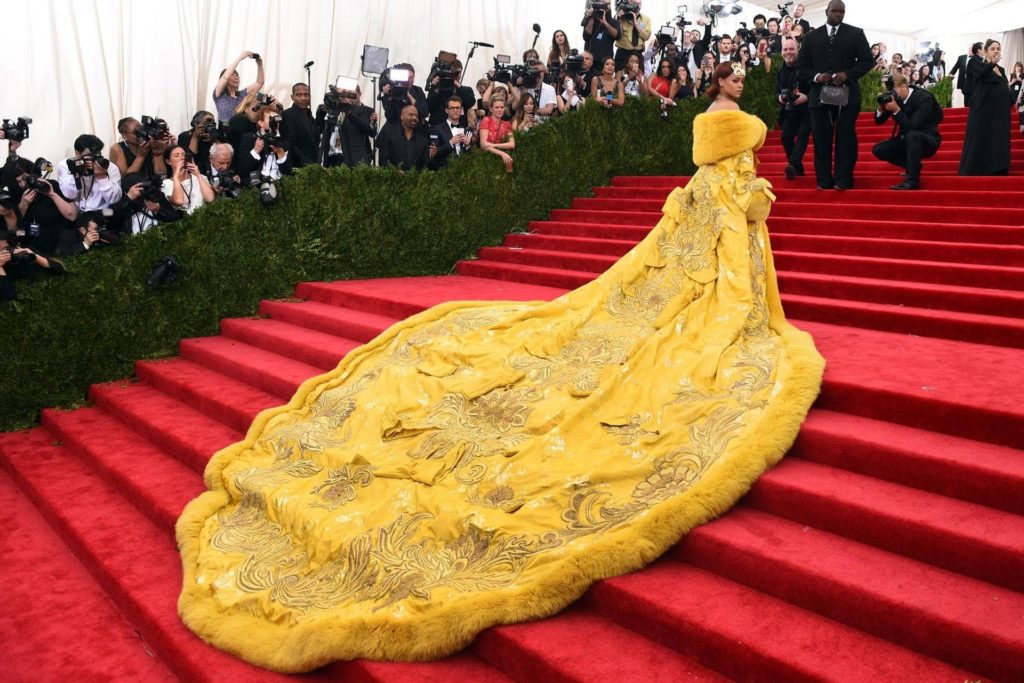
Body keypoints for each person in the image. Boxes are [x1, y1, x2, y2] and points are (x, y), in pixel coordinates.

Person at [175, 57, 824, 674]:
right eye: (735, 78)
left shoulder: (711, 155)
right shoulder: (726, 156)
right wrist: (745, 263)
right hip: (708, 259)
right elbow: (727, 231)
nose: (740, 82)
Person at [795, 0, 873, 190]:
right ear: (826, 12)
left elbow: (867, 61)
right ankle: (823, 180)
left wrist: (847, 74)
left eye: (841, 11)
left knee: (846, 137)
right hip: (819, 96)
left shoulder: (856, 33)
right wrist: (817, 76)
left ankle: (843, 179)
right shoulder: (811, 37)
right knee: (821, 138)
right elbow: (801, 67)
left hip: (848, 94)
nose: (838, 14)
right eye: (834, 11)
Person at [872, 74, 943, 190]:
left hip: (928, 140)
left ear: (904, 86)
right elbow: (879, 121)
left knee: (912, 135)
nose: (891, 94)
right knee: (879, 149)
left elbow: (912, 126)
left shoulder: (924, 98)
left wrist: (896, 110)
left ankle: (911, 181)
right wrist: (881, 108)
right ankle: (913, 166)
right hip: (906, 139)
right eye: (889, 91)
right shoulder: (897, 98)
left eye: (893, 90)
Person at [959, 39, 1012, 176]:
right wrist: (992, 63)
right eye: (992, 49)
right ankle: (976, 168)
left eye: (998, 49)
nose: (996, 51)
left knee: (997, 137)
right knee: (981, 137)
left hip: (999, 111)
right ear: (986, 51)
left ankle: (998, 168)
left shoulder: (1001, 70)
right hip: (983, 110)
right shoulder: (977, 63)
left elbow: (1004, 87)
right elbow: (980, 75)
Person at [57, 134, 123, 211]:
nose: (93, 159)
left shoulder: (110, 167)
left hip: (102, 212)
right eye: (89, 155)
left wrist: (102, 177)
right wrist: (76, 173)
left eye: (97, 155)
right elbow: (69, 195)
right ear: (77, 153)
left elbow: (114, 199)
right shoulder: (66, 165)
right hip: (79, 212)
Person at [776, 38, 811, 179]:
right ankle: (798, 168)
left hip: (808, 109)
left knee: (803, 134)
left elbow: (816, 88)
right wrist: (780, 97)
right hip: (790, 109)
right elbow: (777, 91)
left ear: (798, 50)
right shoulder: (780, 69)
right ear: (781, 52)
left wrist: (806, 97)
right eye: (785, 49)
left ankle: (792, 165)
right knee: (785, 137)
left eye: (791, 49)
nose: (788, 52)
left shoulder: (806, 66)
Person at [318, 87, 377, 168]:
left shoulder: (366, 110)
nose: (348, 97)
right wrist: (321, 113)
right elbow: (323, 129)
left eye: (351, 93)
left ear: (359, 94)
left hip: (354, 158)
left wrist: (349, 112)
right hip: (333, 155)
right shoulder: (337, 108)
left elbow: (370, 130)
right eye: (345, 93)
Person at [0, 229, 65, 300]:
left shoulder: (21, 253)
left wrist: (34, 256)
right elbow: (9, 295)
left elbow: (60, 269)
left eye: (6, 248)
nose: (3, 253)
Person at [213, 51, 265, 123]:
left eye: (237, 75)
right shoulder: (219, 95)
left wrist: (260, 64)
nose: (236, 77)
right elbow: (225, 77)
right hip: (225, 129)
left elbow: (259, 83)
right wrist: (240, 58)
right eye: (232, 75)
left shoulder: (242, 94)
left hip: (241, 128)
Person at [162, 145, 215, 214]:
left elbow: (210, 199)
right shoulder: (166, 184)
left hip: (203, 216)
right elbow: (179, 201)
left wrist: (198, 174)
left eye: (184, 155)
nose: (182, 158)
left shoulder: (200, 178)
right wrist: (176, 177)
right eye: (176, 156)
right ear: (168, 161)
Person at [377, 104, 430, 172]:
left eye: (417, 116)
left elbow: (425, 165)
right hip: (393, 177)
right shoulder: (389, 135)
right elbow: (383, 160)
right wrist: (394, 172)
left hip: (415, 178)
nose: (415, 118)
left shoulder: (423, 141)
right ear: (402, 116)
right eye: (411, 114)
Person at [280, 83, 321, 168]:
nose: (303, 98)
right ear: (292, 97)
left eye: (306, 95)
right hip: (297, 166)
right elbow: (290, 143)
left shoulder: (310, 116)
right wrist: (307, 163)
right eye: (299, 95)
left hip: (313, 164)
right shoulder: (288, 114)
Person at [427, 96, 473, 171]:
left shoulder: (466, 130)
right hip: (444, 171)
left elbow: (471, 155)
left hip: (464, 171)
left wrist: (468, 145)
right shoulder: (436, 129)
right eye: (452, 108)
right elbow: (433, 154)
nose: (455, 110)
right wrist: (450, 143)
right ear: (446, 110)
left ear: (461, 110)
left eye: (458, 108)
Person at [479, 96, 515, 173]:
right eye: (496, 107)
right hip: (486, 160)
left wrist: (492, 145)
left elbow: (512, 144)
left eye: (502, 107)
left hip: (502, 162)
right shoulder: (486, 120)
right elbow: (483, 145)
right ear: (491, 109)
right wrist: (502, 153)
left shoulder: (507, 124)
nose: (499, 110)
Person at [613, 1, 652, 71]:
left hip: (638, 52)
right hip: (623, 52)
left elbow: (646, 37)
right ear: (629, 2)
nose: (638, 6)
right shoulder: (622, 16)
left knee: (638, 75)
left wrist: (636, 23)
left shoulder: (646, 19)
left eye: (640, 3)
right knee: (620, 74)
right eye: (635, 3)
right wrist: (619, 19)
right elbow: (616, 35)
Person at [581, 1, 621, 67]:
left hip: (605, 61)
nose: (607, 6)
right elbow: (586, 37)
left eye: (609, 4)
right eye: (604, 4)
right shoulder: (590, 18)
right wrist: (591, 18)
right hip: (590, 59)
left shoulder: (614, 22)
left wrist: (605, 23)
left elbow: (617, 36)